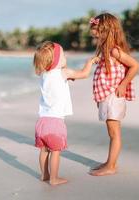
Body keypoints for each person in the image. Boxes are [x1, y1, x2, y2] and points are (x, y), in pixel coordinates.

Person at [33, 41, 99, 185]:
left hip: (42, 122)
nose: (65, 56)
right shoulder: (64, 72)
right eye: (63, 54)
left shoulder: (44, 75)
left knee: (44, 151)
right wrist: (90, 61)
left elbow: (56, 82)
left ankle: (44, 174)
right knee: (56, 151)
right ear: (56, 59)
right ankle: (54, 178)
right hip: (56, 123)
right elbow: (84, 74)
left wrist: (68, 77)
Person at [89, 13, 139, 176]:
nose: (96, 36)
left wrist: (124, 84)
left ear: (108, 31)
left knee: (114, 133)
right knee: (112, 133)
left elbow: (135, 65)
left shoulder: (114, 50)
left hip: (114, 97)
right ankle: (110, 162)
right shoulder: (106, 51)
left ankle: (111, 166)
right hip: (108, 97)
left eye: (98, 32)